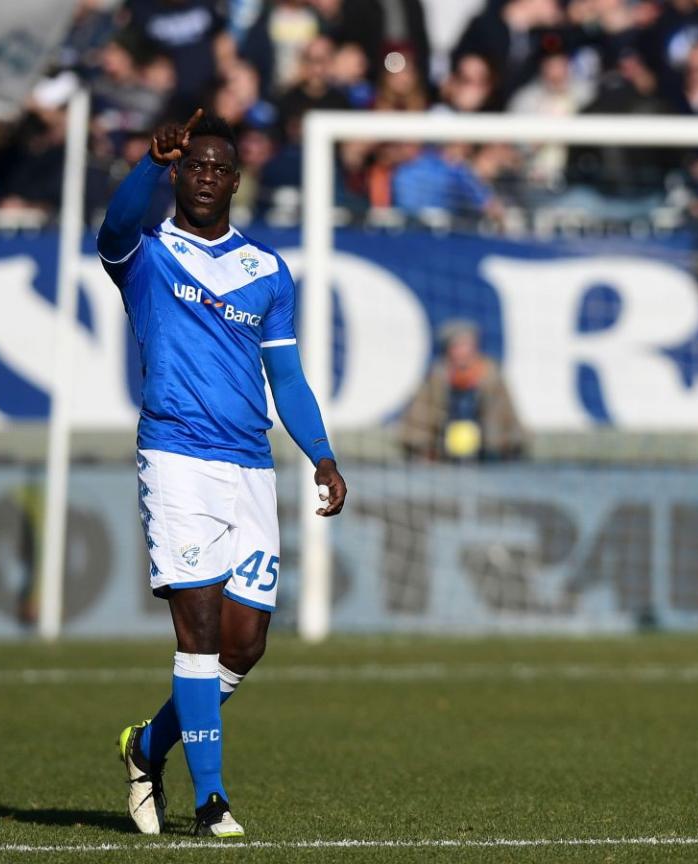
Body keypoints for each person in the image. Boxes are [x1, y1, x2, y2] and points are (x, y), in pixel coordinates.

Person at [96, 109, 346, 838]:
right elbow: (111, 229)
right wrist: (146, 160)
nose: (204, 176)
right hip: (175, 457)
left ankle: (146, 748)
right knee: (198, 632)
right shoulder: (146, 255)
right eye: (192, 166)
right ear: (179, 175)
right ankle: (212, 802)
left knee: (245, 644)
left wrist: (322, 454)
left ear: (236, 181)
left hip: (250, 466)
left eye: (217, 168)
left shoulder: (266, 270)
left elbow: (287, 378)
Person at [400, 319, 526, 462]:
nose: (462, 352)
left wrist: (504, 446)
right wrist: (424, 448)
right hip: (444, 454)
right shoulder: (436, 377)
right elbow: (420, 417)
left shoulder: (491, 377)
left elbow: (506, 417)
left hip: (487, 453)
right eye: (457, 346)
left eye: (466, 346)